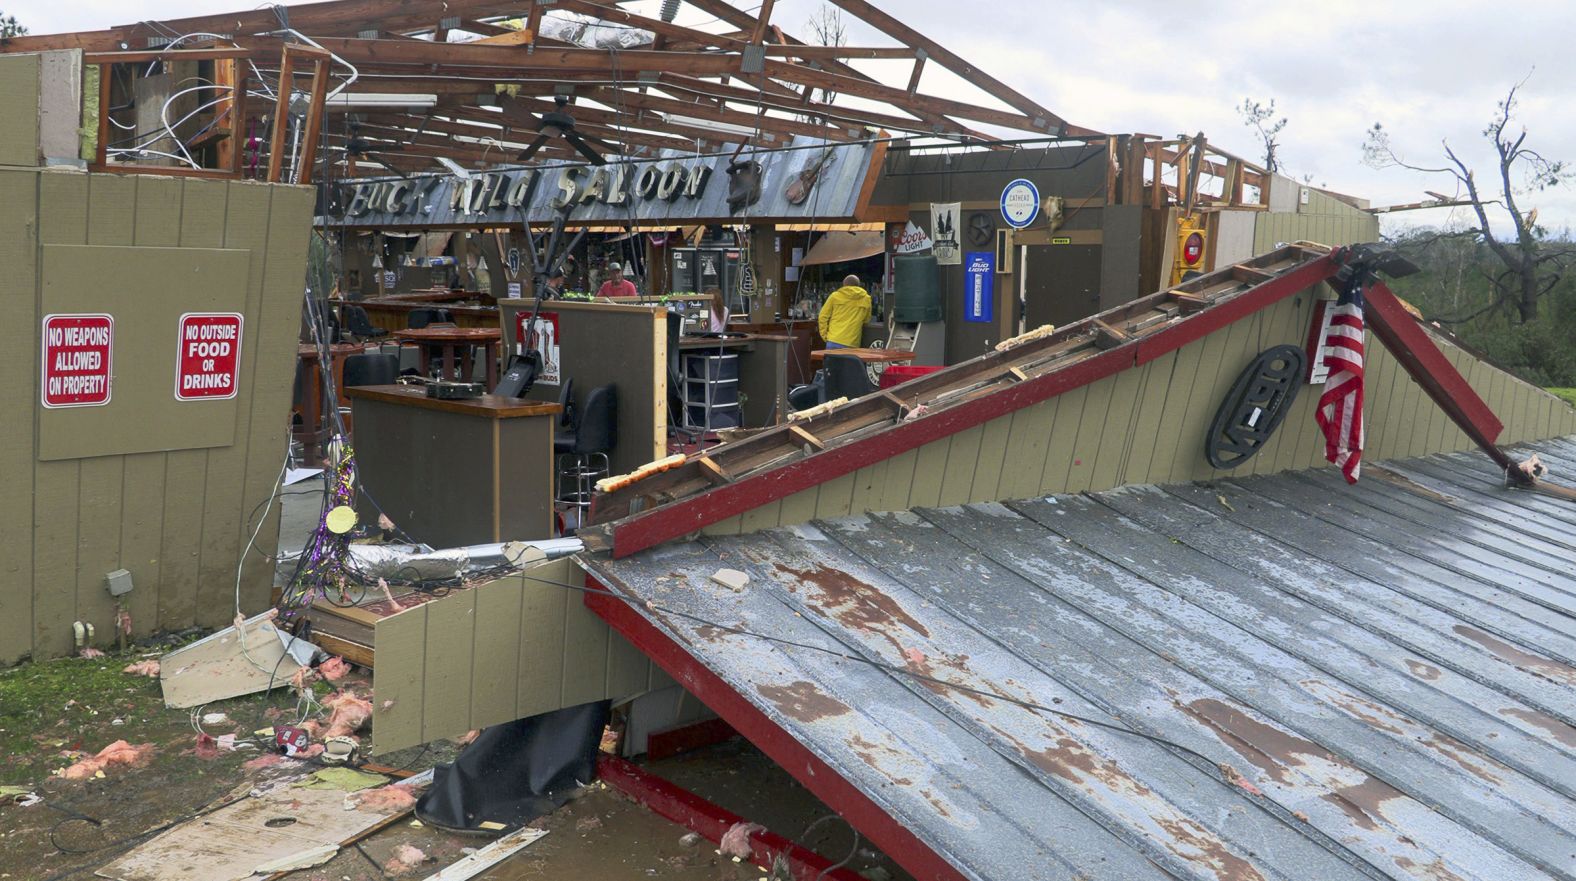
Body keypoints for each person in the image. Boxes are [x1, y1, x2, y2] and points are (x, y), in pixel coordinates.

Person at [818, 274, 872, 349]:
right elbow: (867, 320)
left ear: (844, 285)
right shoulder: (866, 299)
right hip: (852, 343)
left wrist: (825, 336)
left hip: (833, 340)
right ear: (858, 286)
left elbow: (822, 316)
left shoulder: (835, 296)